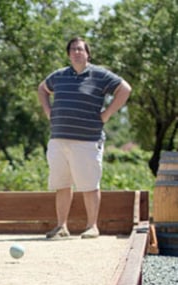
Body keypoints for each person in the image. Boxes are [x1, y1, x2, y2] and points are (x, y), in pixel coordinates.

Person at [38, 36, 131, 239]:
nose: (76, 52)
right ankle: (61, 226)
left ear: (87, 53)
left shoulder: (99, 75)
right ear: (68, 54)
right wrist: (48, 111)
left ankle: (92, 226)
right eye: (72, 49)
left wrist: (106, 114)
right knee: (61, 184)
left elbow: (125, 89)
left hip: (88, 140)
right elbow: (42, 89)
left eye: (80, 49)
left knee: (89, 184)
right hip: (59, 139)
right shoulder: (59, 75)